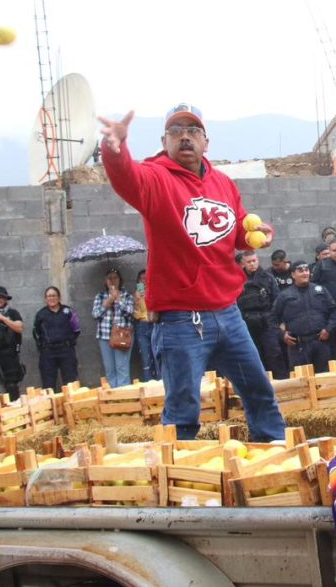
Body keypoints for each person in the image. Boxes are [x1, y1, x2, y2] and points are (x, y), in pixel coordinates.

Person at [98, 103, 285, 442]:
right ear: (164, 140)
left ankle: (275, 466)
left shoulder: (223, 183)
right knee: (183, 411)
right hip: (181, 320)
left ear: (206, 142)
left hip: (228, 313)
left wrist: (255, 234)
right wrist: (115, 149)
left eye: (193, 131)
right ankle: (179, 481)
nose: (185, 137)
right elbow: (127, 177)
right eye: (176, 131)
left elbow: (237, 228)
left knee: (259, 392)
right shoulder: (155, 178)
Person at [272, 260, 336, 373]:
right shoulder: (284, 295)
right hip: (298, 346)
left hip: (320, 343)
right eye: (300, 271)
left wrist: (328, 329)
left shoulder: (320, 290)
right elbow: (272, 319)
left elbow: (335, 312)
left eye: (307, 270)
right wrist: (282, 335)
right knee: (302, 382)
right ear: (293, 274)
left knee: (325, 380)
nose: (305, 273)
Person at [238, 250, 281, 376]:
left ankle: (280, 380)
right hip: (247, 322)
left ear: (258, 261)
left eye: (254, 261)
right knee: (253, 355)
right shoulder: (238, 279)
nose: (252, 264)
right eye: (249, 262)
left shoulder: (267, 277)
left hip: (267, 321)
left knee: (274, 353)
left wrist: (272, 319)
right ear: (243, 264)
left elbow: (277, 299)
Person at [92, 267, 135, 388]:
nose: (112, 280)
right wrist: (109, 301)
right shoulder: (100, 296)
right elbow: (95, 315)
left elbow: (130, 314)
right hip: (105, 337)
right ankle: (113, 398)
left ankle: (124, 398)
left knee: (122, 368)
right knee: (110, 369)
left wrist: (118, 299)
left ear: (120, 280)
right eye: (109, 278)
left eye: (115, 278)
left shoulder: (127, 296)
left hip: (122, 335)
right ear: (105, 281)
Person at [33, 286, 81, 390]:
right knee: (48, 385)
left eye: (54, 295)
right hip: (48, 352)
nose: (51, 298)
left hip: (66, 350)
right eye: (49, 296)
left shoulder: (68, 311)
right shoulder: (41, 314)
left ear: (59, 297)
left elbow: (76, 330)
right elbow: (36, 333)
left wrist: (68, 341)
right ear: (45, 298)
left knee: (71, 383)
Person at [133, 270, 158, 381]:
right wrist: (138, 301)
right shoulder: (136, 295)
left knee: (157, 357)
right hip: (142, 326)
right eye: (141, 279)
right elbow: (136, 312)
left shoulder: (154, 292)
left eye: (146, 278)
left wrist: (148, 296)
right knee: (146, 360)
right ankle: (148, 383)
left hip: (154, 324)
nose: (144, 281)